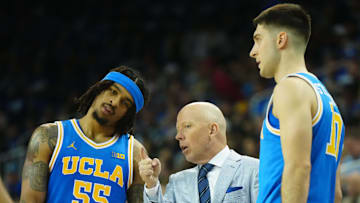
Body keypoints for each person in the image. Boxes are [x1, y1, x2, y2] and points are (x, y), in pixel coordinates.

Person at [249, 3, 345, 203]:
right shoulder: (327, 99)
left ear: (281, 39)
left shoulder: (290, 89)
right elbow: (335, 193)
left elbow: (298, 167)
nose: (253, 51)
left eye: (258, 40)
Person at [20, 66, 150, 203]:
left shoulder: (135, 154)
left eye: (125, 103)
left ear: (127, 115)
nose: (115, 102)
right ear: (99, 89)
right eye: (113, 91)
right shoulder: (50, 136)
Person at [139, 101, 259, 203]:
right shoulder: (177, 181)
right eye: (177, 130)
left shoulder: (254, 169)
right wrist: (152, 184)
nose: (178, 136)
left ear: (212, 130)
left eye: (187, 126)